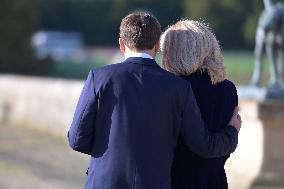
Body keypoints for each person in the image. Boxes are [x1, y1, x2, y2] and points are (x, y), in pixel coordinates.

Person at [68, 12, 241, 189]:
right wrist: (232, 132)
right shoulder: (178, 87)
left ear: (121, 44)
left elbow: (77, 139)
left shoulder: (99, 77)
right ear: (158, 45)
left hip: (104, 182)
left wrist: (110, 151)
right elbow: (202, 144)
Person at [160, 20, 239, 189]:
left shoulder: (171, 89)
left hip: (175, 179)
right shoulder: (227, 89)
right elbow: (226, 145)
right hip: (214, 178)